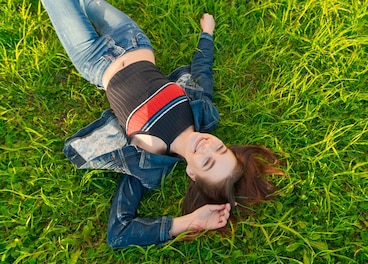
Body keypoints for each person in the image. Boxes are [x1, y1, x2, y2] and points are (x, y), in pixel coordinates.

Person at [41, 0, 283, 248]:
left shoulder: (146, 165)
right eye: (221, 149)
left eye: (208, 162)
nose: (208, 148)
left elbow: (119, 233)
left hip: (93, 58)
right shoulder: (202, 111)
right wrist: (207, 33)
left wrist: (188, 222)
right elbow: (203, 70)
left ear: (192, 174)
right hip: (132, 39)